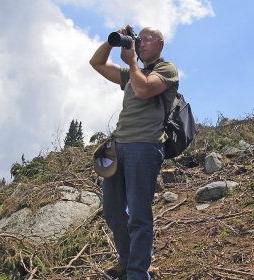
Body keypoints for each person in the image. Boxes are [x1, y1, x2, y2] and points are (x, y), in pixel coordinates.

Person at [89, 25, 179, 280]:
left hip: (146, 146)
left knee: (139, 214)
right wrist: (113, 41)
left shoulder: (166, 69)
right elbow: (96, 62)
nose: (141, 44)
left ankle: (138, 273)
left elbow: (143, 89)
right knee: (113, 210)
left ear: (160, 44)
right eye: (138, 40)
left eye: (147, 39)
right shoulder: (131, 72)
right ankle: (126, 261)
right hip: (119, 146)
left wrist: (132, 63)